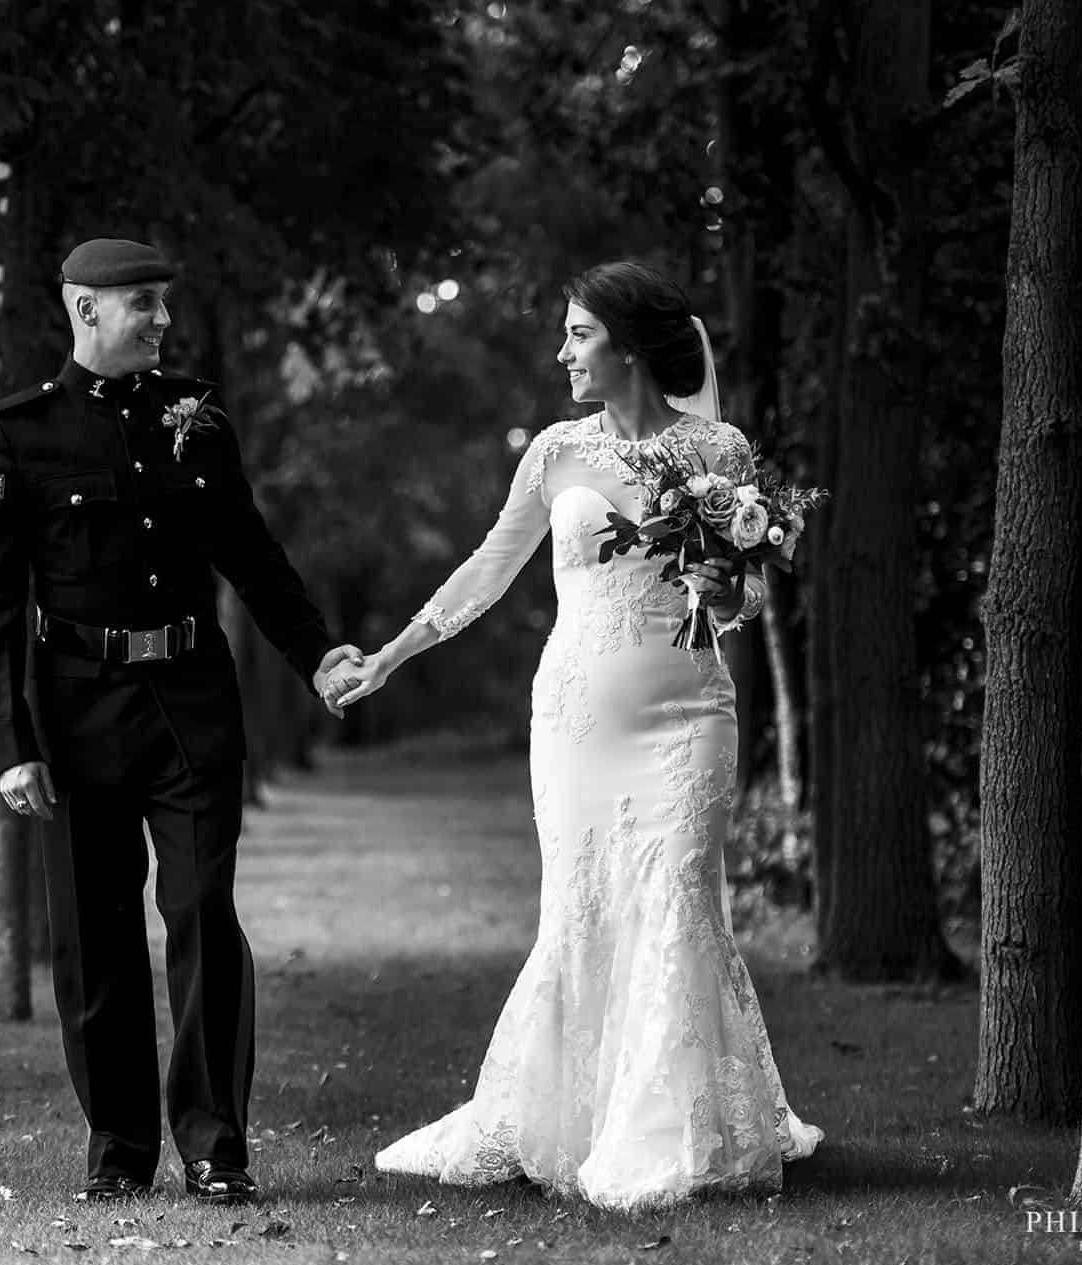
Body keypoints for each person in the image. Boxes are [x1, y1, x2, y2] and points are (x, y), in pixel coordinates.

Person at [329, 260, 822, 1212]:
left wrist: (730, 591)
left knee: (679, 894)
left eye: (578, 335)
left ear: (629, 345)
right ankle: (573, 1117)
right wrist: (389, 656)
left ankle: (667, 1134)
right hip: (575, 721)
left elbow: (746, 597)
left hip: (689, 715)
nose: (563, 353)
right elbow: (488, 567)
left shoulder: (719, 450)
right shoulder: (555, 452)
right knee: (585, 911)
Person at [0, 237, 361, 1206]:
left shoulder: (196, 421)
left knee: (200, 914)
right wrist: (10, 747)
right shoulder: (15, 433)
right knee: (94, 935)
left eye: (163, 305)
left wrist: (316, 655)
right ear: (84, 310)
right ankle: (119, 1144)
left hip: (189, 700)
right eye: (142, 304)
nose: (161, 320)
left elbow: (249, 552)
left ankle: (216, 1142)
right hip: (75, 715)